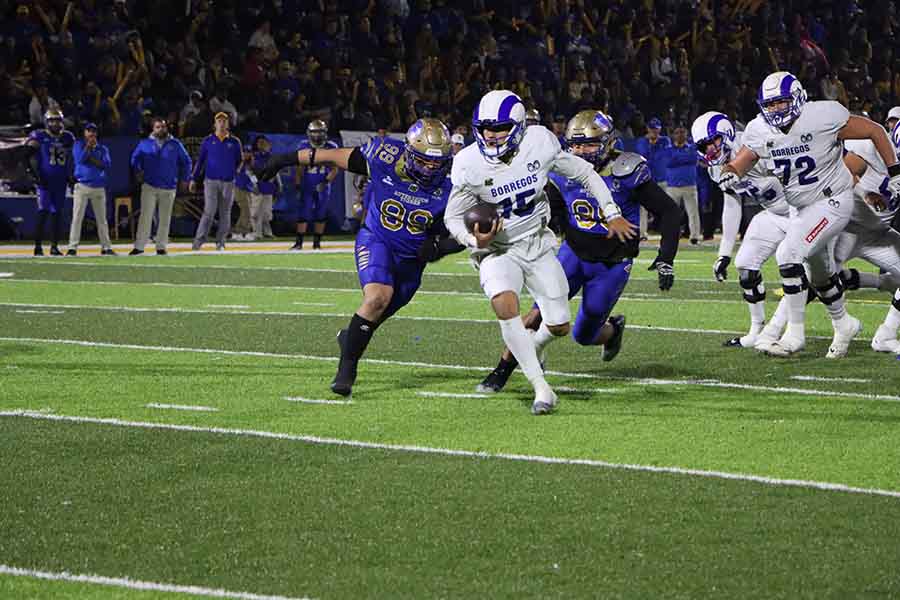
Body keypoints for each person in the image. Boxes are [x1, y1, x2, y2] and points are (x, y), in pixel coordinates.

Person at [444, 91, 636, 415]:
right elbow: (452, 215)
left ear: (518, 126)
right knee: (505, 304)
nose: (491, 135)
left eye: (500, 127)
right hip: (497, 249)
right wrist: (473, 240)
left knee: (559, 323)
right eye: (486, 127)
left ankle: (529, 352)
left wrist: (611, 210)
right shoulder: (468, 163)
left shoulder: (540, 143)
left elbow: (585, 173)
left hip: (536, 243)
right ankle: (541, 389)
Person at [478, 110, 680, 394]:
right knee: (537, 314)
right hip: (571, 255)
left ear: (608, 143)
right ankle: (501, 371)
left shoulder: (627, 170)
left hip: (611, 265)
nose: (581, 152)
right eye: (575, 145)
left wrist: (666, 258)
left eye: (589, 145)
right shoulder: (561, 171)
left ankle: (613, 330)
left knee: (584, 334)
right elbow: (550, 210)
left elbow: (669, 211)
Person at [256, 117, 461, 397]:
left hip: (412, 260)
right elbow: (330, 155)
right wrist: (286, 159)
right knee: (377, 298)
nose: (430, 168)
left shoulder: (455, 184)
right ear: (409, 152)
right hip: (377, 240)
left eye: (436, 162)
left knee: (374, 315)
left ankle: (349, 340)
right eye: (424, 161)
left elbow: (471, 234)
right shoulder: (385, 157)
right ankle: (346, 370)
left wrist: (440, 247)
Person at [719, 71, 900, 358]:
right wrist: (730, 172)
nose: (777, 109)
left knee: (788, 255)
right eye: (772, 104)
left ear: (798, 97)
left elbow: (873, 131)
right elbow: (743, 159)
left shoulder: (822, 116)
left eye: (782, 102)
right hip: (806, 209)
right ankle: (843, 324)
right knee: (820, 274)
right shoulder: (759, 129)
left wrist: (894, 172)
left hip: (833, 202)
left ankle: (794, 335)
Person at [694, 111, 791, 349]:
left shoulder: (755, 140)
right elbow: (732, 203)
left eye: (712, 141)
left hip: (801, 211)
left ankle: (784, 332)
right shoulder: (715, 168)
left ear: (726, 133)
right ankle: (756, 330)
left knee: (794, 268)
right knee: (745, 265)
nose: (710, 149)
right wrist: (724, 253)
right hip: (774, 213)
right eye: (704, 145)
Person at [129, 118, 192, 256]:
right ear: (153, 129)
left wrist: (185, 179)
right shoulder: (144, 143)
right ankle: (139, 246)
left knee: (165, 218)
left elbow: (186, 162)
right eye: (158, 127)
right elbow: (135, 159)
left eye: (163, 127)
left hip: (169, 186)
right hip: (149, 185)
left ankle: (161, 246)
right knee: (145, 216)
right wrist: (138, 170)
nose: (161, 129)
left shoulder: (175, 144)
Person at [190, 112, 243, 251]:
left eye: (224, 121)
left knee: (225, 212)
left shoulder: (234, 142)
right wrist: (193, 179)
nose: (222, 123)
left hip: (228, 182)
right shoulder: (208, 141)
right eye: (219, 121)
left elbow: (239, 160)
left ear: (228, 124)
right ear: (215, 124)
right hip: (211, 181)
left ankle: (221, 242)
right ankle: (198, 241)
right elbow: (200, 161)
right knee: (209, 211)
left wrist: (233, 172)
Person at [26, 109, 75, 256]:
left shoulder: (67, 137)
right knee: (43, 213)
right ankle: (38, 246)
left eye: (58, 120)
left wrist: (70, 176)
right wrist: (34, 175)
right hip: (45, 181)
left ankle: (54, 247)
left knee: (57, 215)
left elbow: (71, 159)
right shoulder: (39, 136)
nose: (56, 123)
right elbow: (27, 155)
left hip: (60, 181)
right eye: (52, 120)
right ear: (47, 122)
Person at [68, 122, 114, 256]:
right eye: (89, 131)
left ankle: (106, 247)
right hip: (82, 186)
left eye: (93, 131)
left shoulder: (103, 148)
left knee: (102, 219)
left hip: (98, 187)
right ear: (84, 133)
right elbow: (80, 160)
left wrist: (91, 158)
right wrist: (88, 149)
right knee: (77, 218)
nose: (91, 134)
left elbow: (106, 165)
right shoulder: (78, 145)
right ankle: (72, 247)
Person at [292, 120, 339, 250]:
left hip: (323, 184)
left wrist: (326, 182)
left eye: (319, 132)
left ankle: (317, 243)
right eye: (314, 132)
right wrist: (297, 182)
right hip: (307, 183)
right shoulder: (304, 145)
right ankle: (299, 242)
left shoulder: (331, 146)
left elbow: (335, 168)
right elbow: (300, 167)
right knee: (304, 212)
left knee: (321, 213)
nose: (317, 135)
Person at [634, 117, 671, 239]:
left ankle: (667, 231)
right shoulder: (641, 142)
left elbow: (664, 155)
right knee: (642, 208)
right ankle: (642, 233)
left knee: (666, 207)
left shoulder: (665, 141)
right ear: (648, 129)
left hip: (662, 178)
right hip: (646, 179)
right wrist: (651, 145)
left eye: (657, 129)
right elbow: (643, 157)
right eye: (652, 129)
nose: (654, 132)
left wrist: (654, 146)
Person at [664, 123, 700, 244]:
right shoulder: (668, 149)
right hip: (673, 186)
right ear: (673, 135)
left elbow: (694, 158)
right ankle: (670, 235)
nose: (680, 135)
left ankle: (694, 236)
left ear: (686, 134)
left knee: (693, 213)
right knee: (670, 214)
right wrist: (685, 158)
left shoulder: (692, 148)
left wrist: (678, 158)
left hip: (689, 185)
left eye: (682, 132)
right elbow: (669, 162)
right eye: (677, 132)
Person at [248, 135, 278, 240]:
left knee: (267, 213)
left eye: (264, 142)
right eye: (260, 142)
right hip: (257, 187)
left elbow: (275, 172)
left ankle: (267, 232)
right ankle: (256, 232)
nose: (262, 145)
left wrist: (278, 184)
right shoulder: (254, 156)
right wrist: (254, 183)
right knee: (256, 212)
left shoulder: (272, 157)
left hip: (268, 187)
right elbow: (249, 171)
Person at [231, 144, 255, 240]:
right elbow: (236, 172)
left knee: (246, 211)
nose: (246, 154)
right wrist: (242, 161)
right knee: (246, 210)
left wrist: (255, 186)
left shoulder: (250, 164)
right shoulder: (238, 161)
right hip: (238, 188)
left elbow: (253, 176)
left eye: (248, 152)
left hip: (248, 189)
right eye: (245, 152)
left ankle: (239, 232)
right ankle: (243, 231)